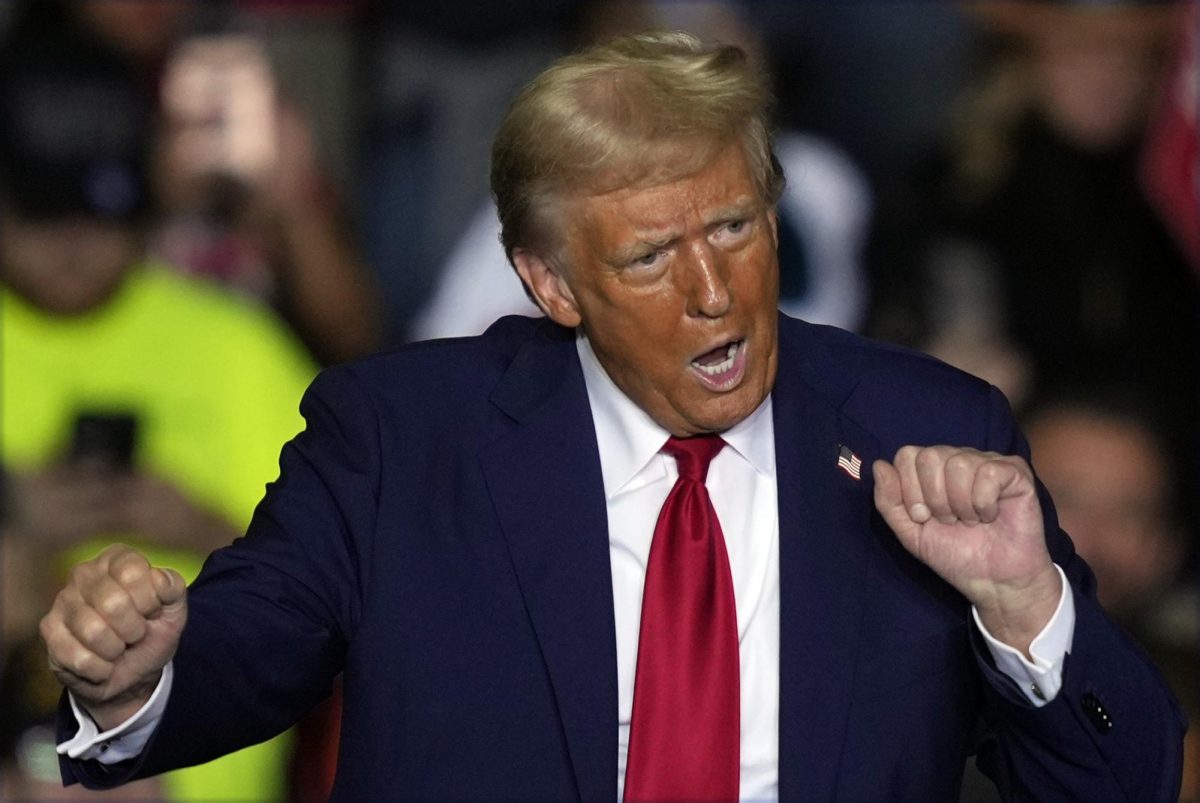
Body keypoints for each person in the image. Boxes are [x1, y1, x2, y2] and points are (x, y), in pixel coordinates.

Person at [42, 31, 1184, 800]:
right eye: (650, 255)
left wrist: (1028, 609)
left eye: (735, 228)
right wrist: (135, 674)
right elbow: (248, 648)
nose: (712, 290)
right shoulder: (404, 437)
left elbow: (1127, 776)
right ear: (549, 283)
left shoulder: (924, 425)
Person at [0, 11, 315, 801]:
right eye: (44, 211)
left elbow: (351, 595)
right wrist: (13, 514)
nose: (74, 241)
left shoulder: (237, 343)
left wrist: (203, 529)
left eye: (101, 210)